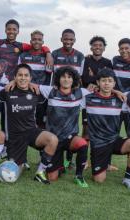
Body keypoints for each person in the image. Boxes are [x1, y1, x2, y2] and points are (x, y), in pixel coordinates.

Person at [0, 63, 58, 184]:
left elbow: (55, 90)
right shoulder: (7, 91)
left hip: (31, 132)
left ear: (30, 78)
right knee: (12, 176)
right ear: (15, 77)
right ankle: (21, 162)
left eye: (26, 75)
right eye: (20, 75)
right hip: (14, 137)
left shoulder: (35, 92)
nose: (23, 78)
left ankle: (40, 173)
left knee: (53, 140)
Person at [83, 68, 130, 190]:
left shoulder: (120, 99)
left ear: (114, 83)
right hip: (98, 144)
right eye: (103, 81)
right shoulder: (87, 98)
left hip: (114, 140)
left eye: (110, 81)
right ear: (98, 82)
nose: (107, 83)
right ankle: (103, 165)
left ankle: (128, 178)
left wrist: (116, 92)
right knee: (99, 180)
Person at [38, 66, 90, 187]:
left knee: (82, 143)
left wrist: (116, 91)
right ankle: (60, 165)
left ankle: (79, 176)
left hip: (70, 138)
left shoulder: (81, 93)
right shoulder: (50, 91)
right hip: (53, 140)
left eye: (69, 77)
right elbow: (31, 85)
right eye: (63, 76)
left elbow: (102, 91)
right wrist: (14, 81)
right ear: (58, 79)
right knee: (53, 177)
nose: (66, 79)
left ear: (74, 80)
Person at [51, 28, 85, 170]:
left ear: (74, 40)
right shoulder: (54, 53)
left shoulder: (80, 55)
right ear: (61, 39)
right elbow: (52, 75)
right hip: (57, 93)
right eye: (66, 39)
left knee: (72, 125)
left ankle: (69, 160)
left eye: (71, 39)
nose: (68, 41)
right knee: (54, 123)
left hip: (73, 94)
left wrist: (75, 92)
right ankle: (50, 155)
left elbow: (79, 77)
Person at [18, 30, 52, 128]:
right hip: (25, 93)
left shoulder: (47, 57)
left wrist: (43, 91)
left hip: (40, 95)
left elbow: (48, 76)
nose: (36, 42)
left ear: (43, 42)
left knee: (40, 124)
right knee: (23, 123)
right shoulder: (23, 56)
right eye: (34, 39)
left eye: (39, 40)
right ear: (30, 41)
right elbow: (18, 75)